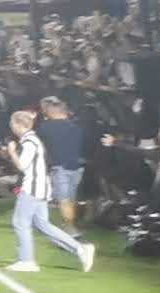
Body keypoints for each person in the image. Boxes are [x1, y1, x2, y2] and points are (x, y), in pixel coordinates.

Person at [6, 107, 94, 275]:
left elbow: (22, 165)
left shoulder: (29, 142)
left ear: (18, 124)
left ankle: (26, 260)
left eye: (12, 123)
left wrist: (11, 152)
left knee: (20, 222)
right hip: (41, 188)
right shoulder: (33, 140)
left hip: (32, 188)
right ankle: (80, 249)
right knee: (43, 225)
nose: (11, 127)